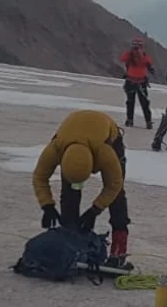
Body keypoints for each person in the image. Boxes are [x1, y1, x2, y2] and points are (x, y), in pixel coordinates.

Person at [31, 109, 132, 268]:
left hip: (107, 135)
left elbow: (114, 185)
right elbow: (39, 177)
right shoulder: (56, 148)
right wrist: (47, 205)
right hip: (72, 137)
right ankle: (70, 244)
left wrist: (95, 210)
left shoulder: (106, 153)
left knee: (117, 197)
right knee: (71, 192)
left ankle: (118, 252)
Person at [119, 37, 155, 129]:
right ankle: (131, 120)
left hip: (140, 82)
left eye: (138, 46)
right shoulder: (129, 55)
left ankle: (147, 121)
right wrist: (131, 53)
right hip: (131, 81)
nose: (136, 48)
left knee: (143, 103)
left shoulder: (144, 56)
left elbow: (148, 62)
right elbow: (123, 58)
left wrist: (140, 54)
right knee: (132, 102)